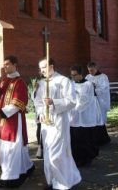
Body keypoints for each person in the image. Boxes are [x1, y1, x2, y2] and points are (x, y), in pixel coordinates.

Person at [34, 58, 81, 190]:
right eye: (40, 68)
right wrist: (41, 113)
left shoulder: (63, 81)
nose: (41, 70)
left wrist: (54, 102)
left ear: (51, 66)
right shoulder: (41, 83)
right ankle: (53, 181)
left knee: (57, 154)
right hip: (46, 125)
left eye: (44, 67)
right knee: (48, 155)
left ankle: (63, 183)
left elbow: (72, 101)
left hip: (59, 122)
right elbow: (37, 102)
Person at [0, 55, 34, 188]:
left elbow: (19, 103)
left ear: (15, 65)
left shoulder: (19, 82)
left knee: (11, 149)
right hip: (3, 121)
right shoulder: (3, 80)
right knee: (7, 149)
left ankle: (10, 179)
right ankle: (25, 168)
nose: (5, 67)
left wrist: (2, 112)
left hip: (13, 120)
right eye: (4, 65)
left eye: (7, 64)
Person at [68, 65, 99, 167]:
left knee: (85, 139)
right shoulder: (71, 84)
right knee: (75, 139)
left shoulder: (88, 84)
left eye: (75, 75)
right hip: (74, 117)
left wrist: (75, 108)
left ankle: (86, 159)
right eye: (71, 75)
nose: (73, 77)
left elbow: (86, 100)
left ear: (81, 74)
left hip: (85, 115)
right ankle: (76, 159)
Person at [86, 62, 111, 145]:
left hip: (100, 101)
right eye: (89, 70)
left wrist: (94, 87)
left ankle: (102, 139)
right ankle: (93, 139)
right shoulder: (88, 77)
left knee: (100, 119)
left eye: (92, 70)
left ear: (96, 68)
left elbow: (104, 88)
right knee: (92, 119)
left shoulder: (103, 77)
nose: (90, 72)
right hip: (91, 102)